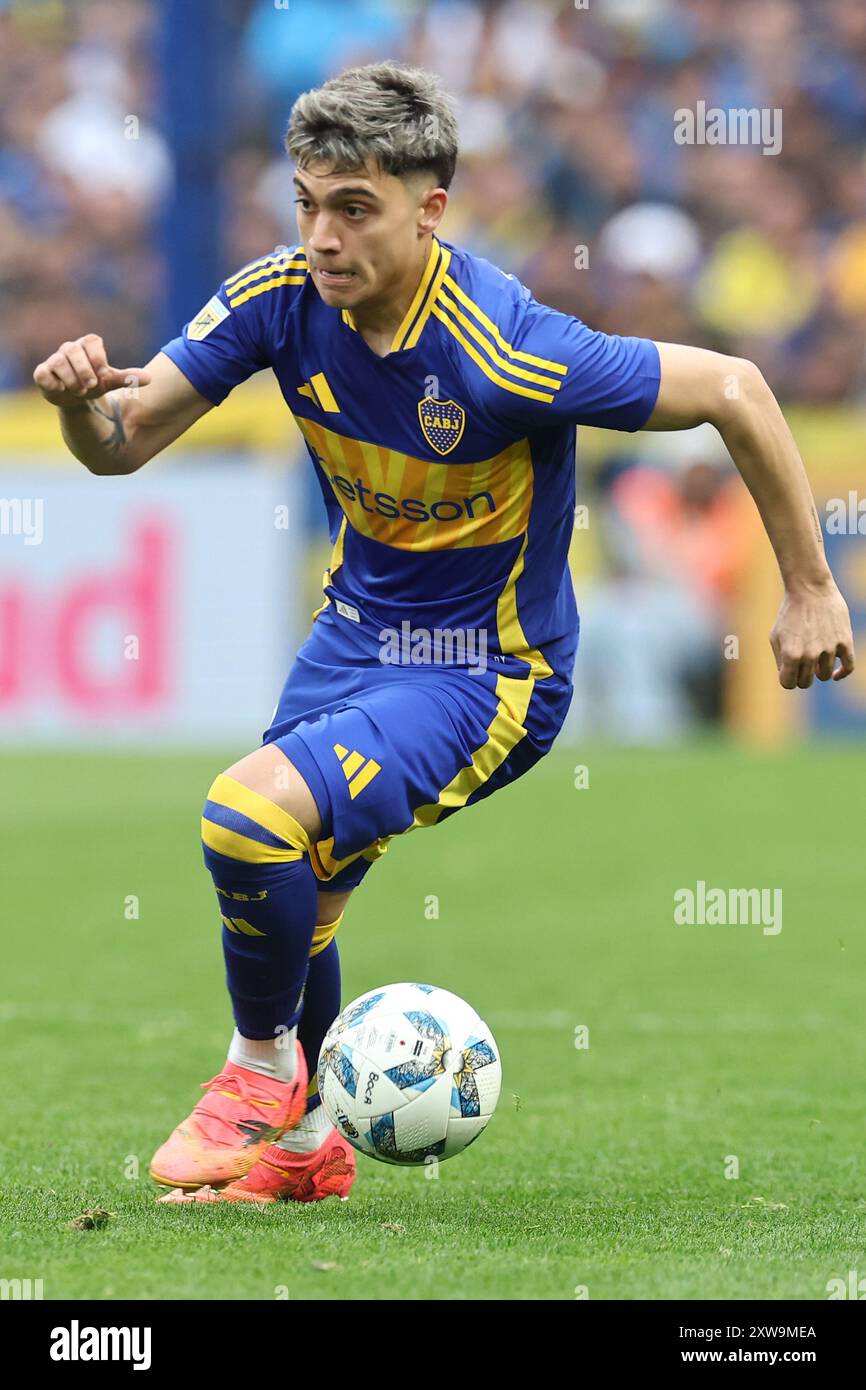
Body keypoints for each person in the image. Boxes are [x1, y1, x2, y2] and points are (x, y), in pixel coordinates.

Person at [33, 63, 855, 1206]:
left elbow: (735, 385)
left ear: (430, 210)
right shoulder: (278, 298)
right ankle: (307, 1149)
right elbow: (122, 444)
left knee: (244, 814)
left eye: (354, 208)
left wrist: (809, 587)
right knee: (297, 883)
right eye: (307, 201)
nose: (321, 235)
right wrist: (78, 405)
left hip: (485, 671)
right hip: (351, 639)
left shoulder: (506, 347)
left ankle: (259, 1072)